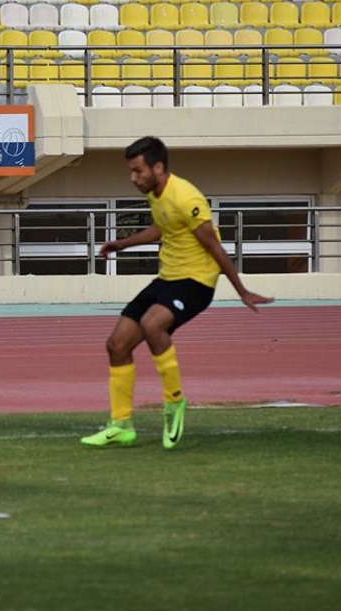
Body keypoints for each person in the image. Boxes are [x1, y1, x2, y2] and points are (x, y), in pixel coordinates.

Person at [81, 137, 273, 449]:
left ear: (158, 167)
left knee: (152, 324)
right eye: (130, 171)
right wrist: (122, 243)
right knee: (116, 345)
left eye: (138, 171)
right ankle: (121, 425)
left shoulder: (185, 196)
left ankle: (174, 404)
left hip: (196, 282)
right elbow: (163, 228)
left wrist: (242, 290)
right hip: (167, 279)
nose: (133, 178)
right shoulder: (156, 194)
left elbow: (214, 246)